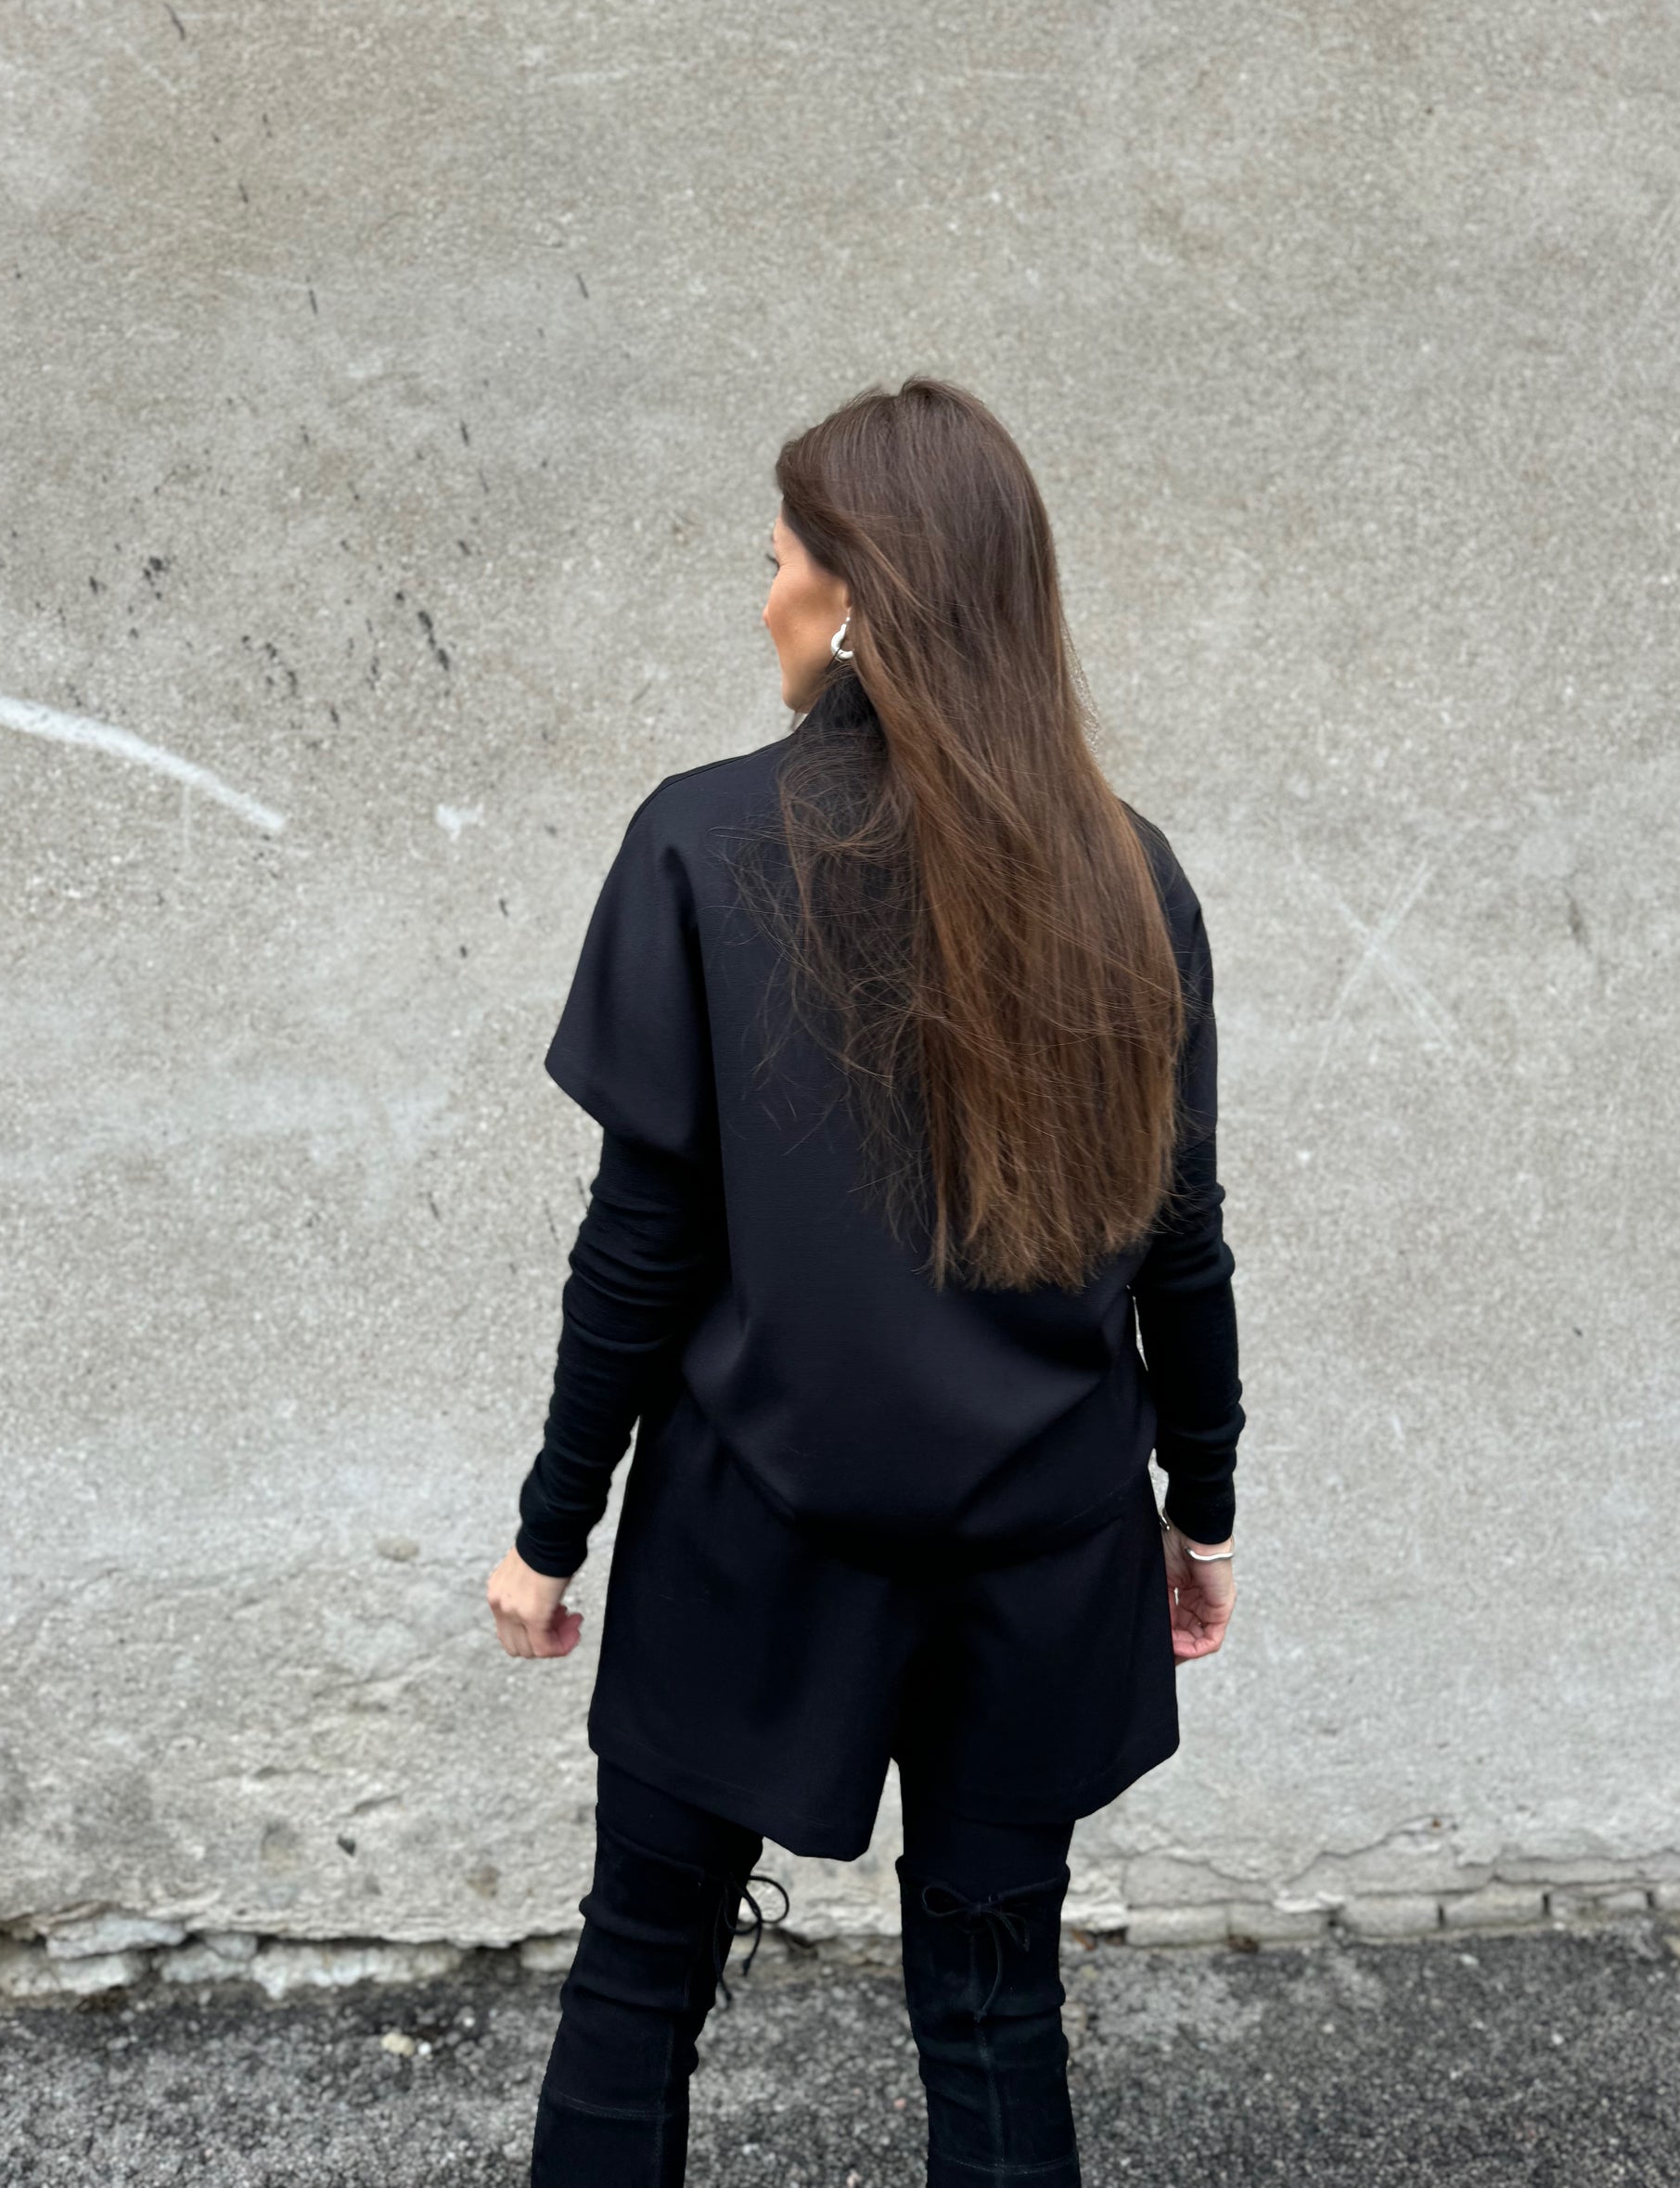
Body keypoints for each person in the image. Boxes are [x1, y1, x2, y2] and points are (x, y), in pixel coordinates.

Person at [486, 376, 1245, 2188]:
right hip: (1040, 1549)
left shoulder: (699, 842)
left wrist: (548, 1531)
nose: (762, 599)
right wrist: (1198, 1504)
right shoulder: (1125, 872)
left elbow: (641, 1245)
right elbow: (1181, 1235)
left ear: (853, 599)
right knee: (993, 2016)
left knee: (637, 1978)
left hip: (750, 1534)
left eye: (774, 563)